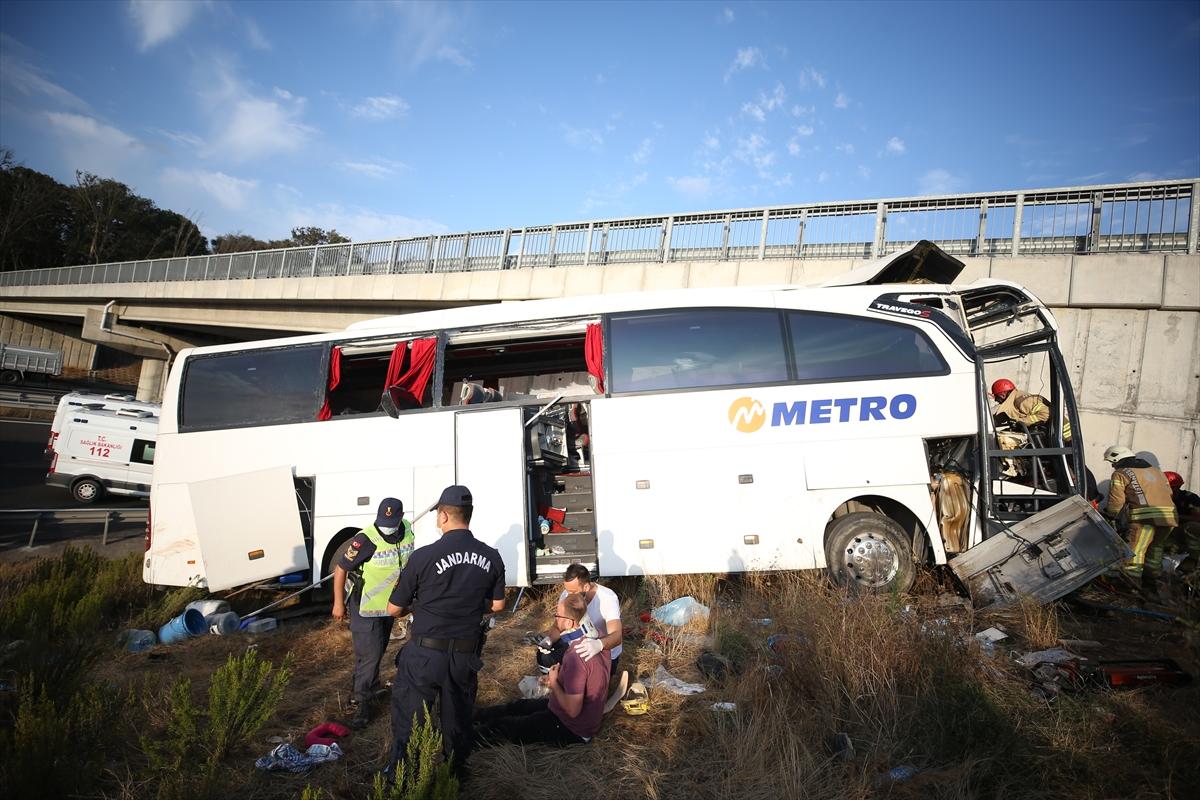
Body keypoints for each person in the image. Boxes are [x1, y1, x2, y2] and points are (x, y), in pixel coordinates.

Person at [385, 485, 505, 776]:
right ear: (470, 515)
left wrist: (420, 606)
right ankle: (455, 777)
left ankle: (405, 779)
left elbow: (393, 609)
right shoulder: (491, 556)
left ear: (442, 516)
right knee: (458, 720)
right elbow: (499, 605)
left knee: (411, 720)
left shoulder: (423, 557)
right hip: (464, 654)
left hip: (425, 655)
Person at [475, 592, 611, 747]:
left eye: (558, 615)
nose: (555, 619)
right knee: (517, 707)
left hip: (571, 728)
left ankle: (464, 741)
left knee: (504, 727)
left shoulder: (577, 655)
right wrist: (558, 677)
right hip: (565, 711)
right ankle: (474, 717)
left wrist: (554, 682)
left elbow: (573, 710)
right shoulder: (598, 638)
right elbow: (588, 677)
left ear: (568, 623)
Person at [331, 496, 415, 729]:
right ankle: (360, 703)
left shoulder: (406, 529)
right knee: (368, 656)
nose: (387, 526)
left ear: (400, 518)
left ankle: (370, 688)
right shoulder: (365, 539)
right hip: (365, 608)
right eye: (383, 521)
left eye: (391, 521)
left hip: (389, 607)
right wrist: (338, 603)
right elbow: (340, 569)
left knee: (376, 652)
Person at [1102, 445, 1178, 595]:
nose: (1112, 465)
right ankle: (1151, 583)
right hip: (1169, 518)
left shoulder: (1121, 473)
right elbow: (1168, 493)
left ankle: (1130, 586)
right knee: (1155, 549)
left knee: (1136, 551)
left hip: (1144, 520)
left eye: (1112, 462)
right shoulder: (1157, 472)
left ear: (1117, 458)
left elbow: (1116, 500)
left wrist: (1111, 515)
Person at [534, 564, 623, 673]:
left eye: (573, 592)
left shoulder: (607, 598)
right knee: (544, 656)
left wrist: (599, 645)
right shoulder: (566, 595)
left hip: (604, 653)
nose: (569, 595)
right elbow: (559, 625)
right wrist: (549, 640)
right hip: (578, 643)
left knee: (581, 682)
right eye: (567, 590)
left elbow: (617, 636)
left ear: (586, 587)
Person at [1165, 471, 1200, 574]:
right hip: (1166, 532)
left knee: (1192, 527)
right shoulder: (1158, 498)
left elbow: (1198, 518)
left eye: (1175, 487)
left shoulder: (1189, 498)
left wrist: (1177, 517)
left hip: (1183, 531)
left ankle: (1192, 560)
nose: (1173, 490)